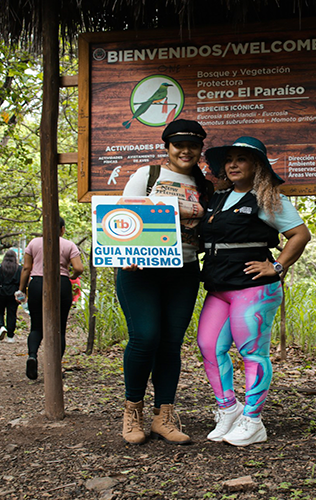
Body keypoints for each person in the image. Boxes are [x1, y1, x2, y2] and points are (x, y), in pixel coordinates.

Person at [197, 136, 311, 446]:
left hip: (254, 288)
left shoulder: (268, 198)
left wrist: (277, 266)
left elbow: (300, 234)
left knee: (251, 352)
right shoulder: (217, 199)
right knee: (208, 345)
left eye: (242, 159)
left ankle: (253, 420)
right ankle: (228, 410)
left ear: (257, 166)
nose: (233, 164)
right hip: (219, 287)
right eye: (229, 159)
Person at [116, 118, 213, 445]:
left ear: (201, 148)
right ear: (167, 147)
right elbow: (123, 217)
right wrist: (125, 253)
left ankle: (164, 416)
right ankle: (133, 412)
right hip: (140, 271)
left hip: (184, 270)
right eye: (178, 145)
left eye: (193, 145)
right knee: (145, 337)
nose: (185, 150)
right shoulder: (148, 175)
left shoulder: (204, 183)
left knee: (171, 342)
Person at [17, 217, 84, 380]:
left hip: (38, 284)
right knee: (59, 327)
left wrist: (21, 290)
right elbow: (79, 268)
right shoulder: (69, 245)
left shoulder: (33, 243)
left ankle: (32, 356)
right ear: (62, 229)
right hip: (61, 284)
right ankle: (55, 367)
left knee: (36, 326)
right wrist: (71, 275)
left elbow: (26, 268)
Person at [0, 250, 22, 343]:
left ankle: (1, 326)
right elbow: (22, 283)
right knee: (12, 313)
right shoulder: (19, 269)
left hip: (0, 292)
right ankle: (10, 336)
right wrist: (21, 297)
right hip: (13, 293)